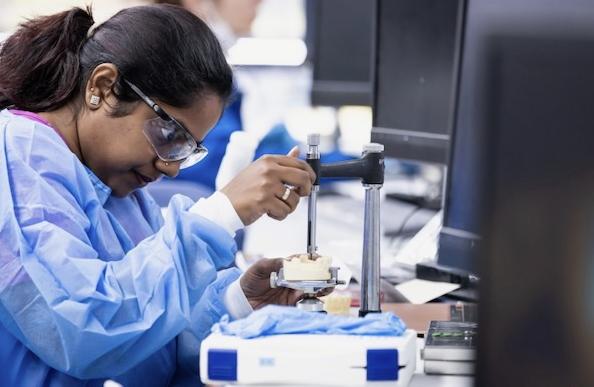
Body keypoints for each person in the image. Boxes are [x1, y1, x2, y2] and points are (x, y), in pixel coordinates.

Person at [0, 5, 316, 386]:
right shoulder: (17, 158)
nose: (171, 168)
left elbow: (148, 348)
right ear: (102, 87)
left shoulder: (115, 188)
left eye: (187, 148)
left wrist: (238, 301)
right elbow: (86, 332)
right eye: (170, 136)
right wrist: (218, 215)